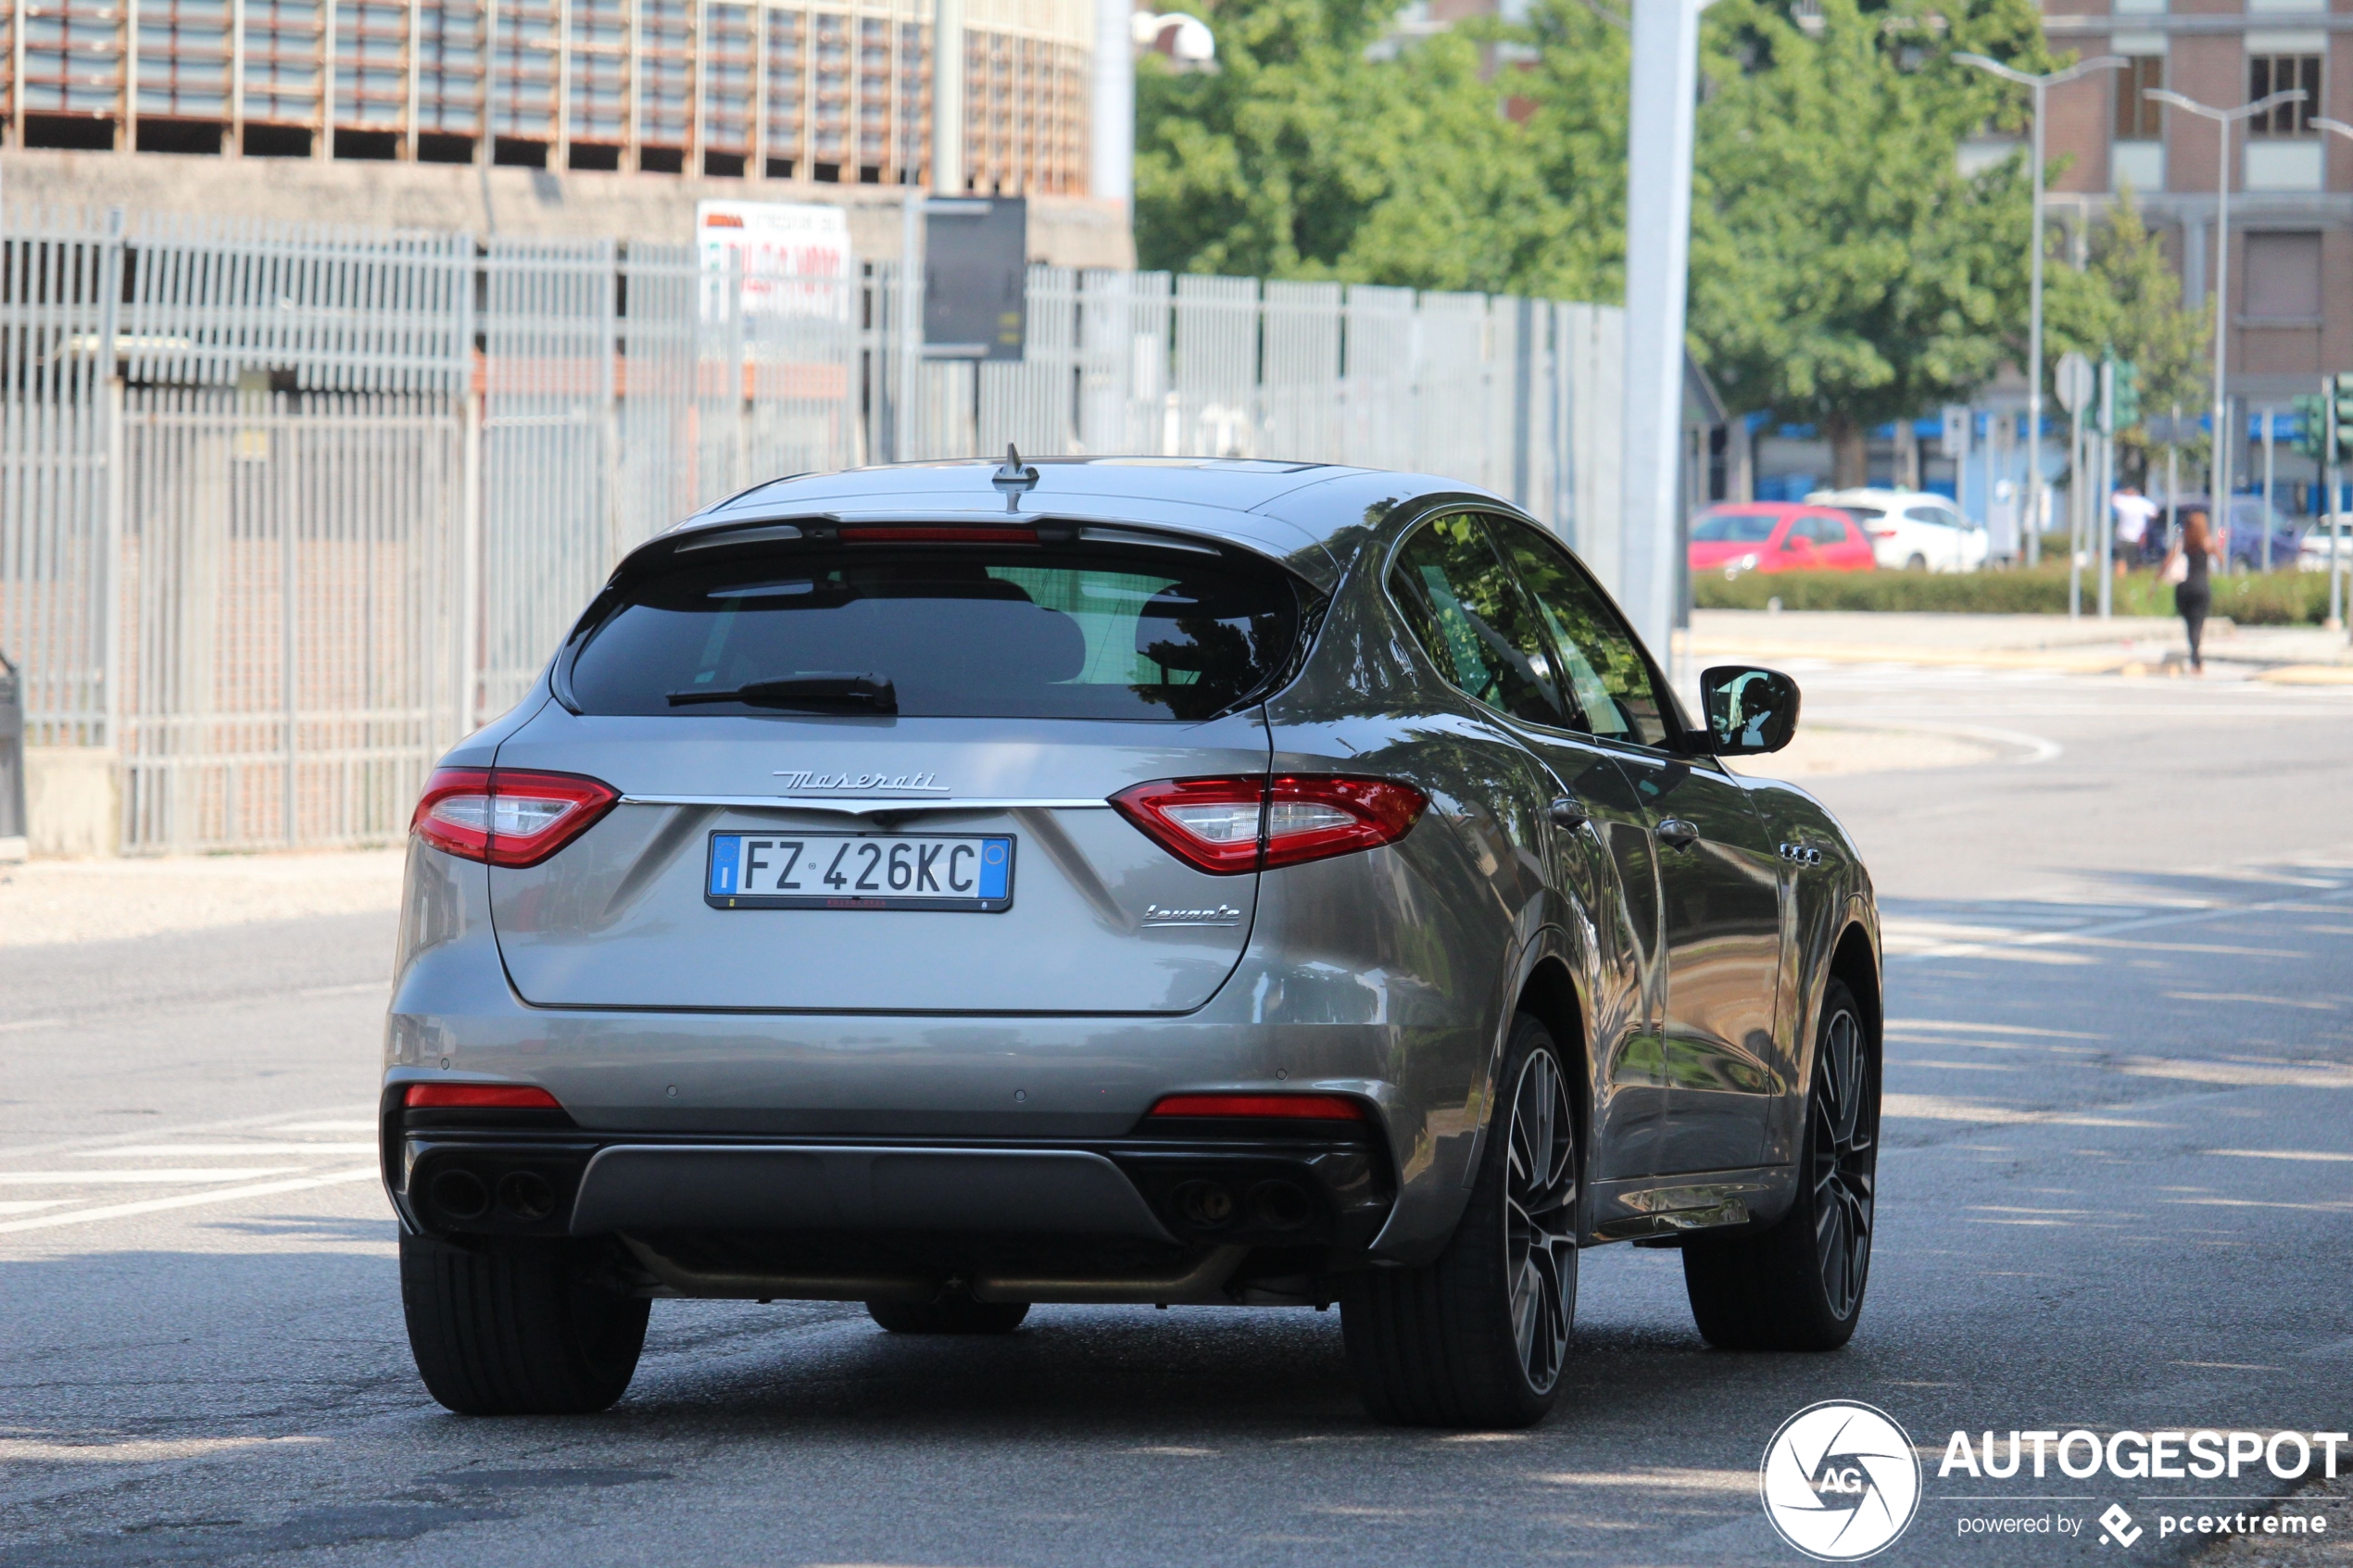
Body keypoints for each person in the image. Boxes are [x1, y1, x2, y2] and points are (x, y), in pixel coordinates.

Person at [2161, 508, 2221, 673]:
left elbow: (2167, 562)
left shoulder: (2183, 543)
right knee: (2198, 625)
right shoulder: (2207, 542)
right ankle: (2196, 659)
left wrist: (2155, 582)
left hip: (2184, 588)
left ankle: (2196, 658)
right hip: (2202, 587)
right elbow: (2221, 559)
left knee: (2190, 625)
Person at [2112, 484, 2158, 572]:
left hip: (2123, 536)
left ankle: (2120, 581)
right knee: (2135, 562)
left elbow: (2112, 497)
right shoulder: (2143, 503)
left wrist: (2123, 491)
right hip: (2137, 537)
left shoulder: (2123, 501)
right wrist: (2147, 527)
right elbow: (2155, 513)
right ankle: (2134, 579)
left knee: (2121, 561)